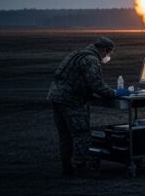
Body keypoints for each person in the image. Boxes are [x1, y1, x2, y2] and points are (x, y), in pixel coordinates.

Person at [47, 36, 117, 176]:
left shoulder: (77, 54)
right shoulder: (91, 60)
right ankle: (81, 167)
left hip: (56, 97)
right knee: (81, 134)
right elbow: (96, 84)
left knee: (65, 135)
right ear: (103, 50)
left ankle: (66, 167)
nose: (107, 56)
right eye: (108, 53)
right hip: (71, 100)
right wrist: (113, 93)